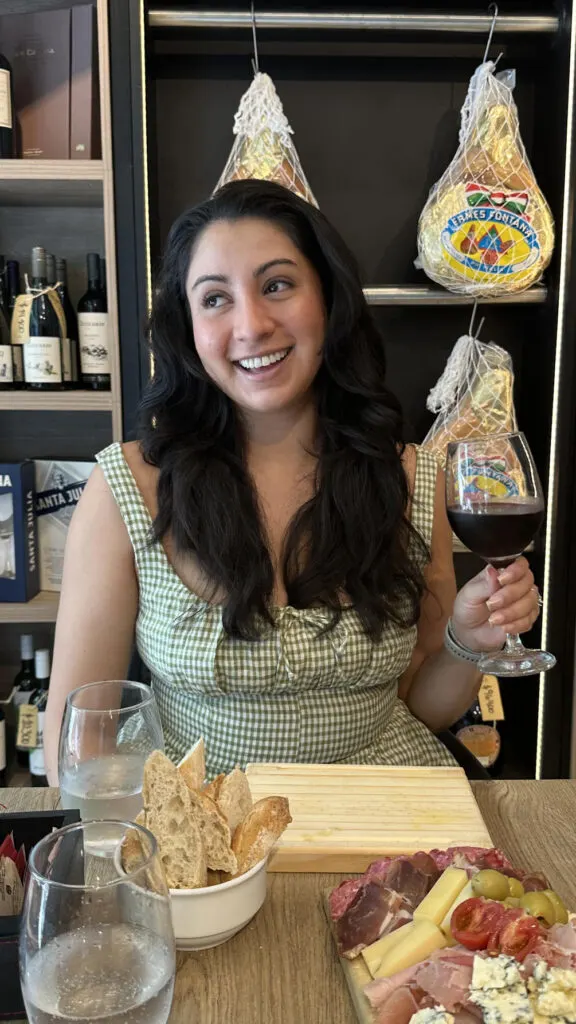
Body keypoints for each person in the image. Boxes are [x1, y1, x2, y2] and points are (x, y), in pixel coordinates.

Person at [44, 180, 539, 783]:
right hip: (201, 830)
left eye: (276, 285)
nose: (251, 325)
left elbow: (424, 708)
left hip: (383, 817)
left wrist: (470, 637)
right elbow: (78, 741)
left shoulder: (410, 476)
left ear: (328, 300)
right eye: (214, 299)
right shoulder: (127, 486)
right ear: (188, 327)